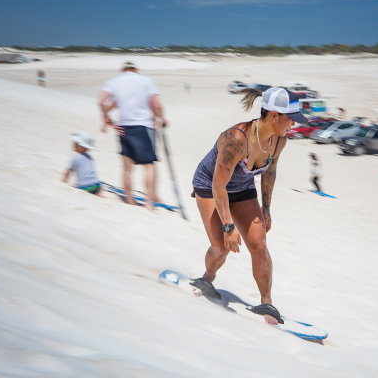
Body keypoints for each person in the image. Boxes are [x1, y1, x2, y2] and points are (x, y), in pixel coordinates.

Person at [190, 87, 307, 325]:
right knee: (221, 247)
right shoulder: (236, 139)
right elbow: (218, 186)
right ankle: (207, 277)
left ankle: (267, 302)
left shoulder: (279, 140)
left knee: (259, 244)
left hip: (243, 188)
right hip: (210, 185)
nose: (293, 124)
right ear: (274, 115)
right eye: (291, 118)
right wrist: (227, 227)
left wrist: (266, 207)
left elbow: (270, 171)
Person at [98, 61, 167, 211]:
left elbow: (103, 103)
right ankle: (150, 202)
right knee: (149, 165)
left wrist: (107, 120)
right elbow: (156, 104)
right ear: (135, 70)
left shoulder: (114, 82)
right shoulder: (146, 81)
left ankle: (129, 201)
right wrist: (162, 118)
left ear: (122, 70)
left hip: (124, 127)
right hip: (143, 127)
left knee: (127, 168)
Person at [62, 132, 103, 197]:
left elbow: (68, 173)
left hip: (85, 187)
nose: (74, 144)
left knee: (79, 187)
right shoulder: (89, 157)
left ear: (83, 147)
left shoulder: (74, 158)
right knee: (95, 185)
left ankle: (93, 193)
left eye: (77, 143)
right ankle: (96, 193)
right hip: (97, 186)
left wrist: (63, 183)